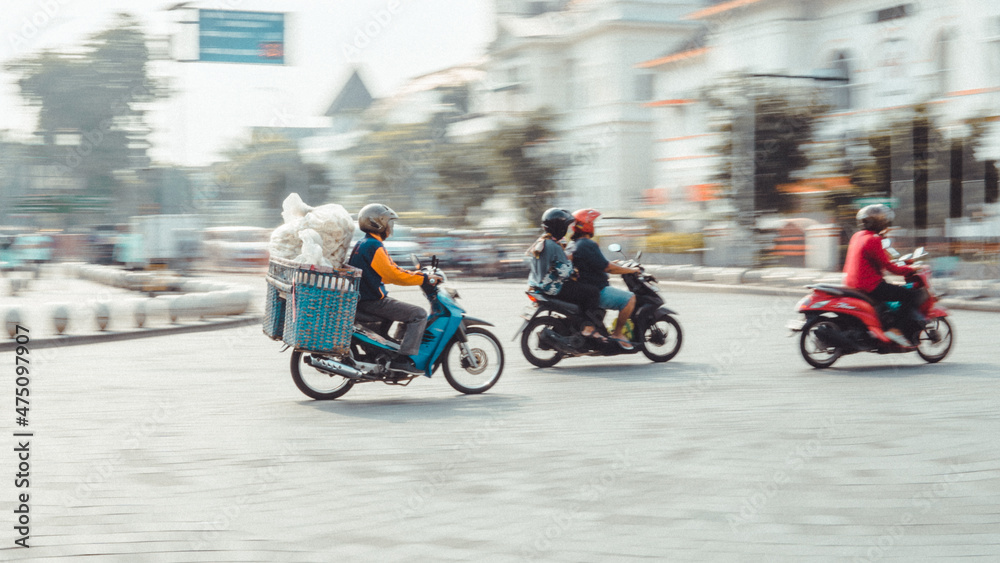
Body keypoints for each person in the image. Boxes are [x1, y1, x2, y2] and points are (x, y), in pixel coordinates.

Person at [348, 203, 441, 374]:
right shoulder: (374, 246)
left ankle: (395, 349)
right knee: (418, 314)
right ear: (377, 223)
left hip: (364, 299)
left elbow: (386, 272)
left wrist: (417, 275)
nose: (391, 227)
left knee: (406, 312)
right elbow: (393, 275)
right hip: (373, 301)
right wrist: (424, 279)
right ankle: (403, 359)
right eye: (389, 223)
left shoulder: (364, 243)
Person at [843, 204, 919, 347]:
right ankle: (896, 330)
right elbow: (890, 268)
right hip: (870, 286)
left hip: (852, 284)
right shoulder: (874, 239)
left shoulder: (857, 236)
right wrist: (910, 269)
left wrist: (903, 262)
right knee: (909, 295)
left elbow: (880, 258)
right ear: (880, 222)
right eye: (884, 221)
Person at [566, 208, 641, 350]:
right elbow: (608, 268)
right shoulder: (587, 244)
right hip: (598, 289)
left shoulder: (574, 244)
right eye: (593, 222)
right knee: (630, 298)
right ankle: (618, 333)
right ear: (587, 225)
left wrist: (615, 263)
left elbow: (594, 263)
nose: (595, 225)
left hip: (583, 287)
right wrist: (631, 270)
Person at [527, 208, 605, 342]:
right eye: (566, 226)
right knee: (592, 292)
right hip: (552, 287)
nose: (568, 229)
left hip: (537, 285)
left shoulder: (541, 242)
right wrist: (573, 270)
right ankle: (588, 328)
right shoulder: (554, 246)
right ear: (559, 227)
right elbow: (564, 271)